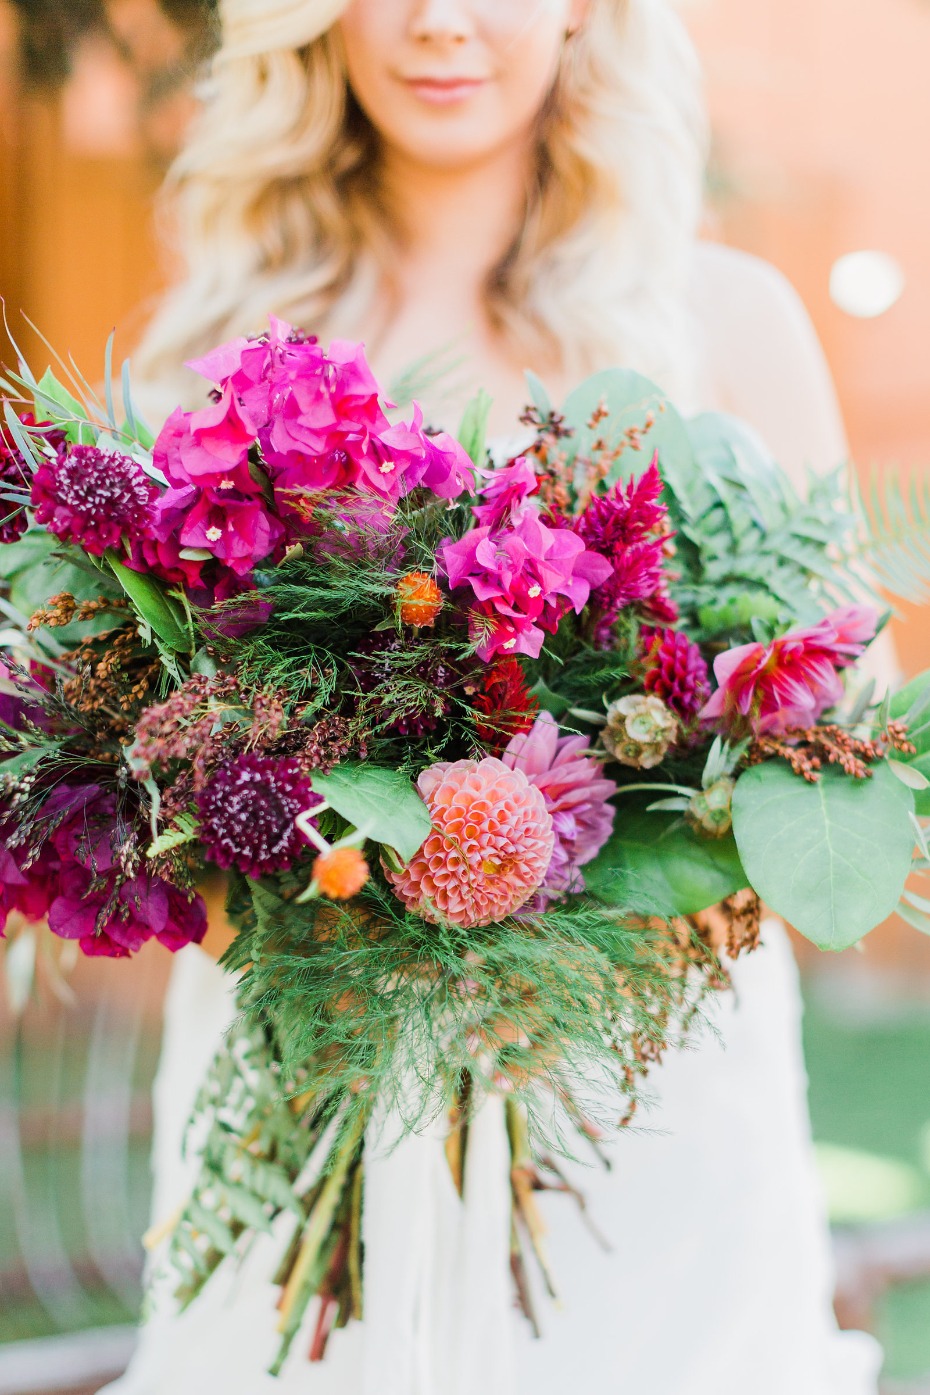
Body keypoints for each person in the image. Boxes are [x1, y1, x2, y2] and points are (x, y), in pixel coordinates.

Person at [105, 1, 884, 1391]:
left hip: (631, 1099)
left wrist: (590, 885)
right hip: (296, 1074)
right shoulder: (212, 339)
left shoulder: (719, 316)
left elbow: (838, 722)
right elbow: (124, 733)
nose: (438, 23)